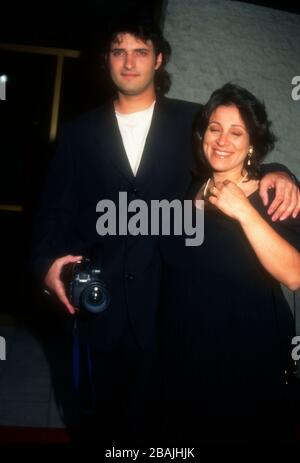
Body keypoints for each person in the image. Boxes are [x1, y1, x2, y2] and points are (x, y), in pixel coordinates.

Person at [31, 15, 300, 443]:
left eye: (141, 51)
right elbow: (53, 211)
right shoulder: (77, 133)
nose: (130, 61)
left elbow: (236, 152)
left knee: (165, 434)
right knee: (101, 428)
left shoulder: (193, 123)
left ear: (159, 59)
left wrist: (282, 174)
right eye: (119, 51)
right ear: (106, 61)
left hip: (166, 315)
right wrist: (46, 264)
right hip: (103, 312)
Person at [160, 83, 300, 443]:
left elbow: (295, 274)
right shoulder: (193, 187)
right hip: (185, 357)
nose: (222, 140)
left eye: (237, 132)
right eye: (215, 129)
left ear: (252, 142)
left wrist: (244, 213)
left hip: (245, 364)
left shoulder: (272, 195)